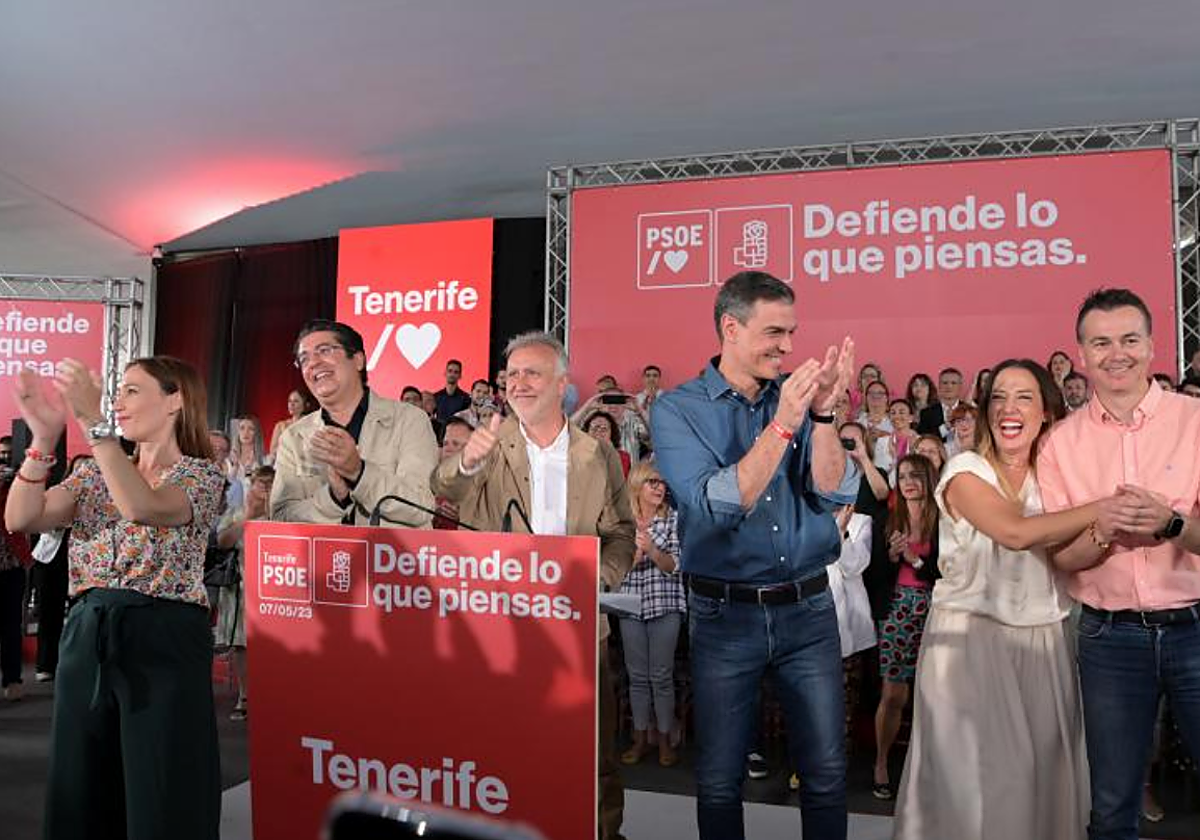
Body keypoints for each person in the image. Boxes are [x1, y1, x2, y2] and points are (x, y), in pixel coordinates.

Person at [650, 270, 858, 840]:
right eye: (773, 333)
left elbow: (836, 489)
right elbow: (721, 502)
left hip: (809, 611)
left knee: (826, 774)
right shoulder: (677, 411)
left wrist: (820, 418)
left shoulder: (798, 398)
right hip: (724, 617)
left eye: (791, 333)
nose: (788, 348)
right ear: (730, 328)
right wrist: (787, 422)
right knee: (720, 779)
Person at [6, 355, 224, 839]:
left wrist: (93, 425)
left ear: (175, 400)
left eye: (131, 390)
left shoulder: (201, 476)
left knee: (163, 787)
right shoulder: (91, 472)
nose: (118, 403)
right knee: (80, 783)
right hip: (88, 633)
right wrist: (43, 440)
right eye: (117, 391)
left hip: (165, 640)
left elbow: (141, 506)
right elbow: (22, 518)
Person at [431, 330, 635, 840]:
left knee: (594, 759)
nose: (518, 383)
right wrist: (466, 461)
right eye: (512, 374)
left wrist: (598, 580)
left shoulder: (597, 453)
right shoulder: (488, 444)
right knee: (500, 754)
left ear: (562, 384)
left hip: (581, 632)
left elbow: (621, 535)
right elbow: (445, 488)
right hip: (499, 633)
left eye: (532, 373)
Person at [893, 360, 1100, 840]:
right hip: (968, 646)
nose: (1010, 407)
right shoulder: (965, 469)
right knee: (974, 790)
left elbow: (1068, 558)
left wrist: (1107, 530)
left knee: (1042, 780)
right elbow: (1014, 532)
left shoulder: (1054, 483)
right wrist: (1100, 507)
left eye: (1024, 397)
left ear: (1046, 411)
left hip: (1044, 643)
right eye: (1000, 397)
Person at [1037, 288, 1200, 840]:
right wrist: (1103, 531)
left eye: (1129, 339)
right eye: (1100, 342)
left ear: (1153, 346)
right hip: (1110, 638)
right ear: (1081, 353)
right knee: (1111, 804)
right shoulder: (1060, 443)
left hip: (1195, 626)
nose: (1116, 353)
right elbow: (1063, 559)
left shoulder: (1195, 420)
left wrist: (1170, 523)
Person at [271, 319, 438, 527]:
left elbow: (422, 509)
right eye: (303, 359)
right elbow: (280, 519)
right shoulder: (294, 437)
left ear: (358, 360)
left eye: (324, 350)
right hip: (323, 558)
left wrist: (358, 472)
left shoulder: (410, 420)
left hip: (390, 557)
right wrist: (333, 498)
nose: (312, 363)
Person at [865, 454, 940, 799]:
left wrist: (914, 559)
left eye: (916, 475)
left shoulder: (944, 521)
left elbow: (948, 572)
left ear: (929, 479)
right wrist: (893, 558)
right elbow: (873, 575)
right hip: (897, 608)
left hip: (938, 609)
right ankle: (881, 763)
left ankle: (931, 768)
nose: (909, 481)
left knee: (937, 694)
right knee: (894, 692)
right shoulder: (887, 519)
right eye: (903, 476)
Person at [617, 461, 686, 769]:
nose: (660, 487)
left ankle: (665, 738)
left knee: (660, 675)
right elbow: (614, 571)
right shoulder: (622, 523)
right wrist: (634, 554)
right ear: (637, 485)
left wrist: (653, 551)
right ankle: (640, 736)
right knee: (638, 677)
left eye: (662, 483)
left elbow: (675, 566)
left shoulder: (673, 519)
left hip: (664, 604)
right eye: (653, 482)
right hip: (630, 604)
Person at [214, 464, 273, 721]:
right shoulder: (237, 512)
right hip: (241, 588)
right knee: (241, 645)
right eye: (262, 483)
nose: (266, 489)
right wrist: (248, 517)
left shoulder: (282, 513)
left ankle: (271, 694)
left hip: (273, 587)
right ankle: (245, 696)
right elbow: (223, 541)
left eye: (271, 484)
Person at [0, 451, 31, 700]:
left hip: (12, 565)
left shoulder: (10, 481)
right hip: (12, 563)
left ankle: (12, 678)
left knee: (11, 624)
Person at [872, 397, 917, 475]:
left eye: (901, 412)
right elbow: (878, 473)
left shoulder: (920, 441)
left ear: (911, 418)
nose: (897, 416)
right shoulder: (882, 442)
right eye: (893, 413)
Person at [917, 367, 964, 440]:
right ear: (939, 386)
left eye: (953, 383)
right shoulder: (927, 413)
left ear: (960, 386)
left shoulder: (970, 411)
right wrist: (945, 428)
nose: (949, 386)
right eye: (945, 383)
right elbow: (924, 439)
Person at [583, 410, 631, 476]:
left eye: (604, 429)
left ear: (611, 434)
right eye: (594, 429)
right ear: (586, 433)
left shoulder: (623, 457)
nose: (598, 433)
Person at [268, 389, 310, 456]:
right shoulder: (280, 425)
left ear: (306, 404)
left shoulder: (311, 424)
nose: (291, 404)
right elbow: (272, 452)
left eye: (296, 401)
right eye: (289, 401)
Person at [433, 358, 472, 424]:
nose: (452, 374)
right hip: (439, 432)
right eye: (450, 371)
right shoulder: (436, 396)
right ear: (445, 373)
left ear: (460, 375)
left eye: (456, 372)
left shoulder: (466, 398)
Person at [229, 414, 267, 479]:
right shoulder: (229, 456)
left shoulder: (264, 459)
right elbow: (226, 484)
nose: (246, 432)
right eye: (242, 428)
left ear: (256, 433)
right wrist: (235, 467)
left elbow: (251, 486)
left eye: (251, 429)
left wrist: (248, 469)